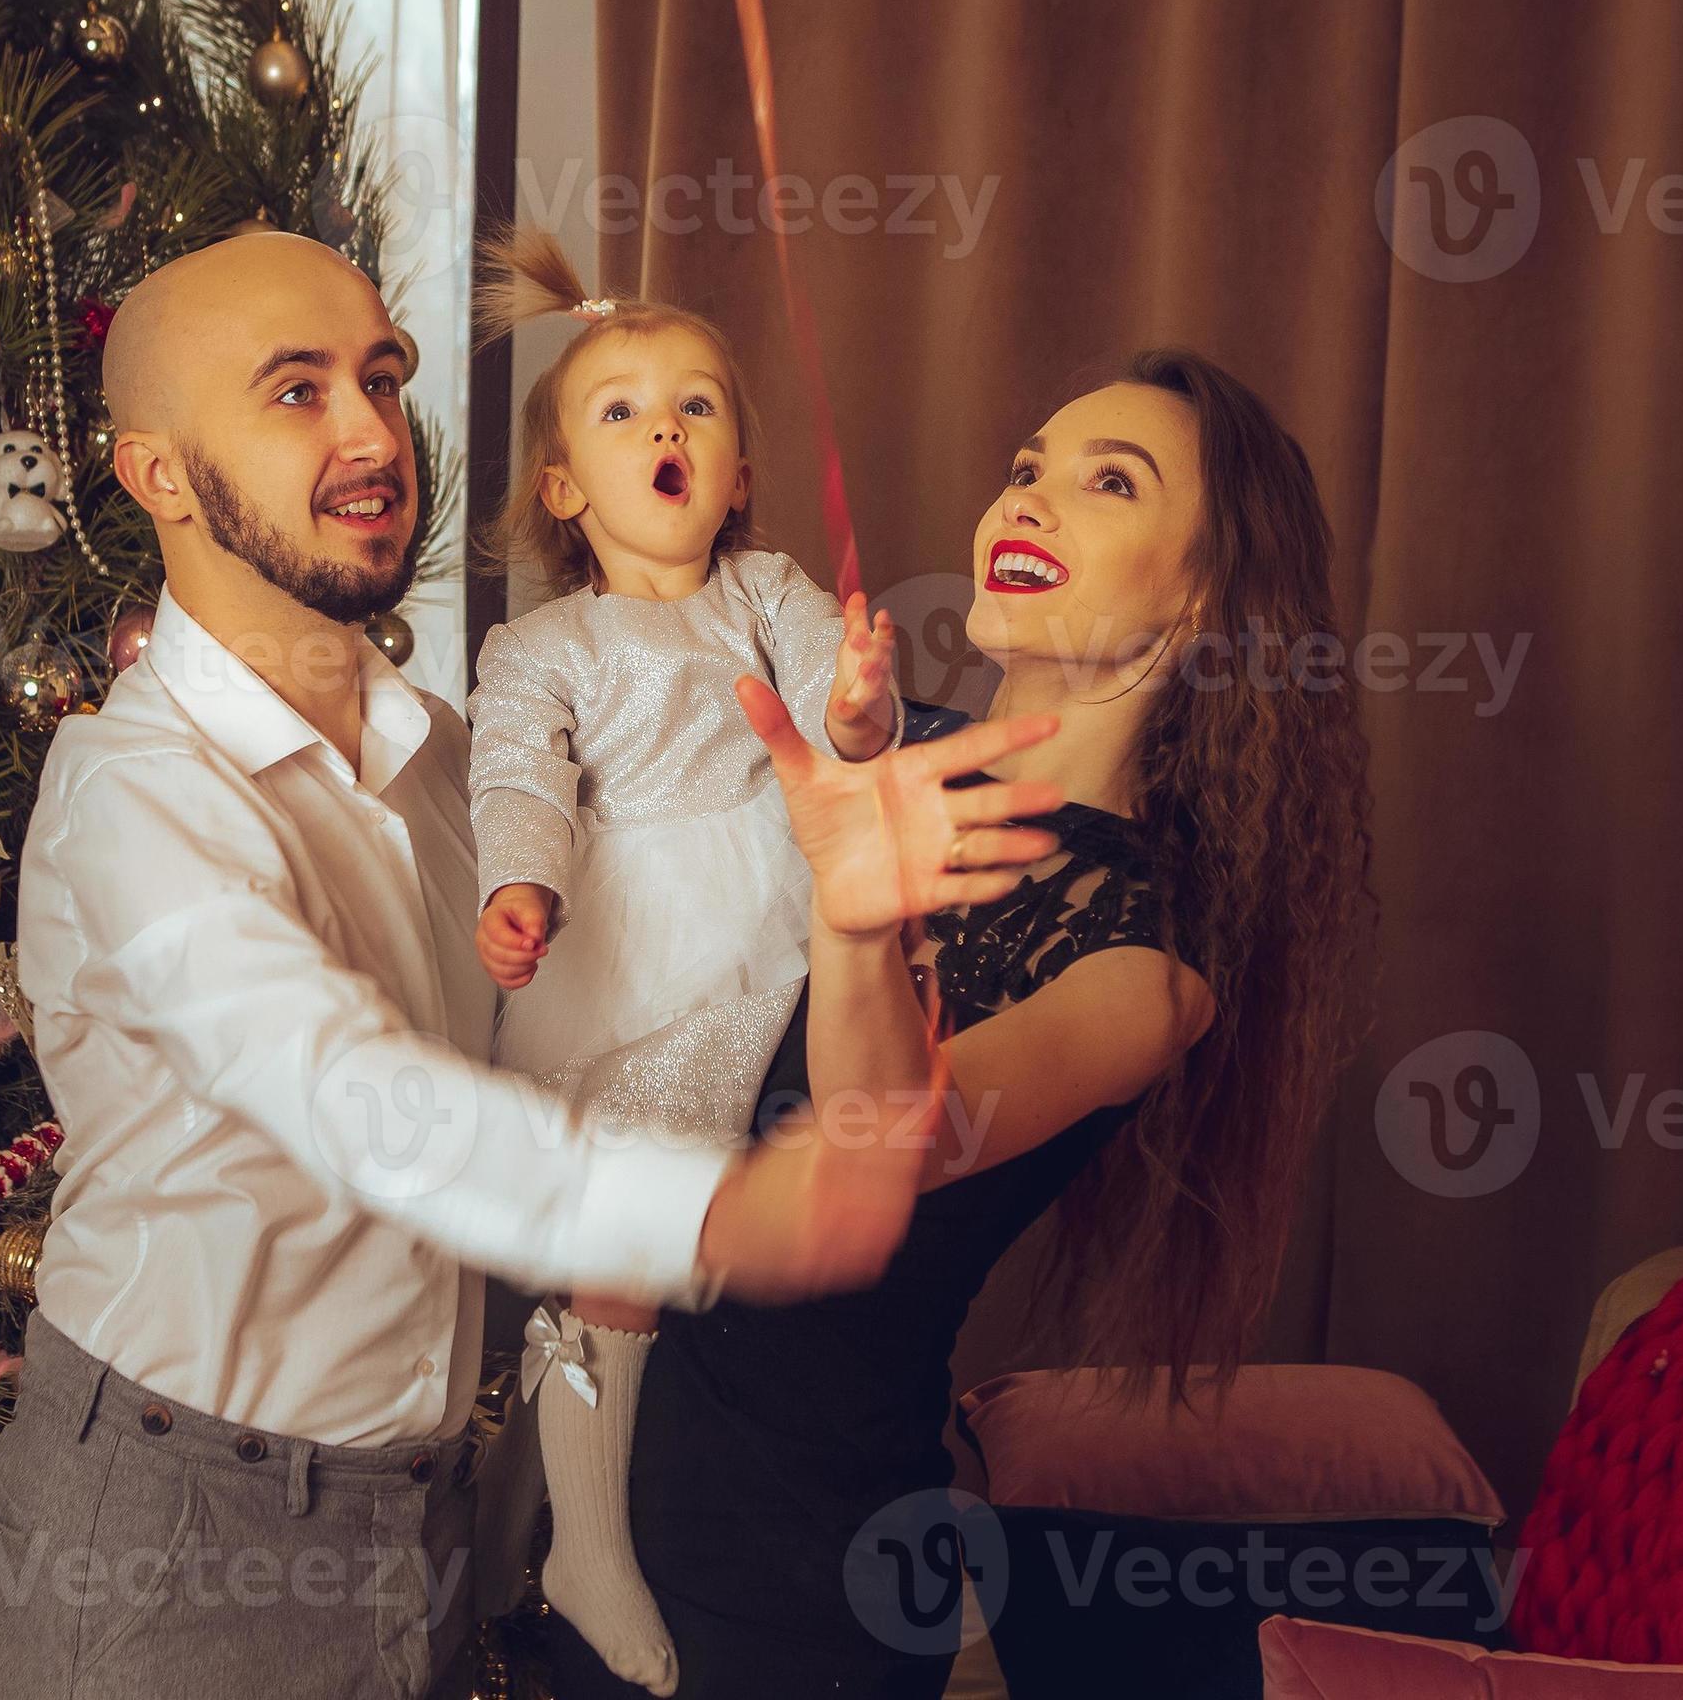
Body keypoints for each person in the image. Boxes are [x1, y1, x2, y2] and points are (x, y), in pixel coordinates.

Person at [0, 231, 1068, 1700]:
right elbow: (352, 1103)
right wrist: (731, 1213)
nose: (370, 435)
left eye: (382, 376)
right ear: (158, 474)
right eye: (295, 393)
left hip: (416, 1525)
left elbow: (592, 1018)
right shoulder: (133, 796)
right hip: (174, 1543)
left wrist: (851, 905)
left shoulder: (457, 767)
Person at [547, 349, 1373, 1698]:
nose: (1030, 501)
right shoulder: (863, 745)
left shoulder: (1144, 970)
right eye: (1026, 468)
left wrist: (859, 920)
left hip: (782, 1582)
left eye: (1110, 483)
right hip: (563, 1478)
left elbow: (887, 1143)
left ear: (1212, 591)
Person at [463, 226, 900, 1694]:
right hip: (631, 935)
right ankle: (573, 1544)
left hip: (770, 929)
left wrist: (854, 703)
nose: (667, 427)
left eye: (698, 406)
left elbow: (843, 731)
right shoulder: (544, 649)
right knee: (618, 1253)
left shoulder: (766, 590)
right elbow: (519, 777)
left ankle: (553, 1513)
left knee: (669, 1252)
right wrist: (523, 881)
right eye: (624, 410)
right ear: (563, 488)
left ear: (738, 470)